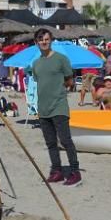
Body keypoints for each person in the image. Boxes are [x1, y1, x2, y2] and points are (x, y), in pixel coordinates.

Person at [32, 28, 81, 186]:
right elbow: (39, 82)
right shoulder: (36, 63)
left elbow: (69, 80)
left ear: (51, 40)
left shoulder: (61, 59)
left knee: (65, 140)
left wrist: (59, 91)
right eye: (41, 39)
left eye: (46, 39)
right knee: (50, 143)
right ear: (36, 42)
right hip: (43, 108)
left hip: (59, 106)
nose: (44, 42)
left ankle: (75, 171)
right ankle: (57, 171)